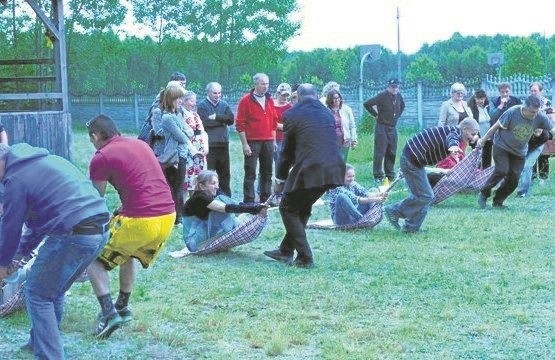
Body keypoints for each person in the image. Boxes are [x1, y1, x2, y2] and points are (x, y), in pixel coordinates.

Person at [0, 143, 110, 359]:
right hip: (99, 229)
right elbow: (36, 223)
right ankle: (39, 341)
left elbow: (10, 227)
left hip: (74, 234)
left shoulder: (15, 179)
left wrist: (3, 264)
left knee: (38, 293)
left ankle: (49, 354)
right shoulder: (36, 162)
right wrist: (19, 255)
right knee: (52, 290)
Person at [86, 114, 176, 338]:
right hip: (168, 216)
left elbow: (95, 198)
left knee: (92, 259)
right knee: (126, 254)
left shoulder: (101, 156)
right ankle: (122, 306)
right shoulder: (140, 144)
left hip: (140, 220)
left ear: (95, 136)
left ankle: (108, 314)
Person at [264, 83, 345, 268]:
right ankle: (285, 250)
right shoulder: (326, 112)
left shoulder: (291, 114)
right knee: (303, 207)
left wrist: (280, 180)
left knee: (287, 207)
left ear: (298, 97)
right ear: (316, 96)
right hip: (333, 168)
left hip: (312, 168)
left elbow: (287, 152)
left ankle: (304, 257)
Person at [384, 118, 479, 233]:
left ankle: (411, 228)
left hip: (415, 161)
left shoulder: (453, 131)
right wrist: (453, 147)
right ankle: (394, 211)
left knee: (424, 196)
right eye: (472, 134)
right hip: (411, 161)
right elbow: (452, 139)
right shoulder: (455, 133)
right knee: (426, 196)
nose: (473, 137)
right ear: (464, 129)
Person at [477, 95, 555, 209]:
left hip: (519, 151)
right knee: (501, 170)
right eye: (532, 112)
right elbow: (495, 127)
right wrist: (483, 140)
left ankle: (498, 201)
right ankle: (484, 193)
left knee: (514, 180)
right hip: (502, 146)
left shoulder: (540, 116)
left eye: (537, 112)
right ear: (525, 107)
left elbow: (553, 130)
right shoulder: (512, 112)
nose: (534, 115)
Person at [180, 170, 267, 252]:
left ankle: (237, 224)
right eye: (213, 183)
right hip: (194, 243)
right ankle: (237, 226)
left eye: (217, 183)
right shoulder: (199, 198)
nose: (217, 186)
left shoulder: (211, 193)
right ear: (202, 186)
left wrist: (256, 207)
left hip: (202, 234)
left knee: (222, 199)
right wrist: (254, 209)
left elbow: (234, 204)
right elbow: (225, 208)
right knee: (223, 207)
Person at [236, 73, 278, 203]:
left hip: (268, 141)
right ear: (255, 84)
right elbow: (240, 124)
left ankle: (265, 199)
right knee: (250, 173)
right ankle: (249, 200)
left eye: (267, 84)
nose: (266, 86)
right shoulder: (246, 101)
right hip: (252, 142)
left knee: (267, 172)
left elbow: (274, 123)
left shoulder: (270, 100)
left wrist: (274, 140)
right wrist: (245, 144)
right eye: (262, 83)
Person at [158, 82, 195, 224]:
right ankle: (177, 217)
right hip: (174, 158)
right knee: (176, 188)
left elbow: (190, 131)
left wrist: (185, 131)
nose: (181, 101)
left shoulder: (177, 115)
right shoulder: (167, 118)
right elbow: (183, 137)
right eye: (178, 98)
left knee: (179, 186)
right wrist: (185, 131)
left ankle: (178, 215)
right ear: (171, 100)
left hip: (182, 156)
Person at [363, 78, 405, 184]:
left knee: (391, 151)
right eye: (392, 87)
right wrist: (376, 114)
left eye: (396, 87)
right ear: (388, 87)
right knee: (380, 152)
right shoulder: (382, 96)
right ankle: (378, 175)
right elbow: (367, 104)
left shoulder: (399, 96)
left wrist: (396, 117)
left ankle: (390, 174)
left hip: (392, 127)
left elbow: (402, 106)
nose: (394, 89)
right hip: (382, 127)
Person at [196, 82, 235, 196]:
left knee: (224, 174)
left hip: (223, 144)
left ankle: (226, 198)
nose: (217, 95)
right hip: (210, 145)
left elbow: (231, 119)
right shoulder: (202, 106)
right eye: (215, 93)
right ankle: (209, 198)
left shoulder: (224, 104)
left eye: (219, 93)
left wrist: (217, 117)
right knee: (209, 174)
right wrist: (223, 121)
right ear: (208, 92)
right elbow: (205, 123)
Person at [487, 82, 522, 168]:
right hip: (498, 131)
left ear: (510, 90)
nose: (505, 94)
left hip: (512, 131)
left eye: (507, 91)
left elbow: (522, 113)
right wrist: (501, 105)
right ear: (499, 92)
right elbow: (492, 115)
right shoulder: (494, 101)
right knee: (498, 153)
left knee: (512, 153)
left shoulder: (516, 101)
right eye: (503, 92)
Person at [181, 90, 209, 195]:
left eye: (195, 101)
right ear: (184, 101)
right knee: (189, 180)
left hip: (200, 150)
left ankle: (198, 201)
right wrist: (193, 150)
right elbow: (183, 135)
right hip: (189, 151)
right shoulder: (180, 114)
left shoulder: (196, 115)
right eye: (191, 101)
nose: (194, 103)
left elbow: (202, 131)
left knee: (200, 178)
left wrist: (206, 146)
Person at [516, 128, 551, 197]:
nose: (538, 134)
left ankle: (522, 192)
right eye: (535, 131)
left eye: (539, 131)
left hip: (537, 147)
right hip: (523, 145)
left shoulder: (546, 135)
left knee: (527, 165)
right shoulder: (523, 130)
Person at [529, 82, 553, 181]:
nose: (533, 92)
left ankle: (543, 178)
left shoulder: (547, 102)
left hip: (544, 132)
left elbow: (551, 117)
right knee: (532, 154)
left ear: (541, 91)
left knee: (543, 155)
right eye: (531, 91)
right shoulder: (527, 102)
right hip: (531, 132)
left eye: (535, 90)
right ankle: (532, 177)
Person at [326, 89, 357, 161]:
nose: (337, 100)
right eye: (334, 98)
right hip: (331, 141)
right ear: (330, 99)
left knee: (342, 162)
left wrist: (354, 139)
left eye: (338, 98)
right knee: (332, 161)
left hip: (345, 140)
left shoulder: (347, 109)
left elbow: (352, 126)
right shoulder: (326, 111)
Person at [274, 83, 293, 172]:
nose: (285, 97)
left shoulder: (289, 108)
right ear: (278, 93)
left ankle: (278, 183)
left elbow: (289, 126)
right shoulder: (270, 104)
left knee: (279, 164)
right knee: (265, 165)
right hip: (268, 138)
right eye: (283, 95)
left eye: (287, 95)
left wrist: (275, 125)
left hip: (282, 139)